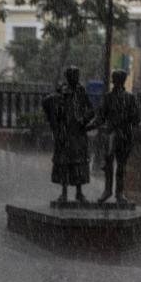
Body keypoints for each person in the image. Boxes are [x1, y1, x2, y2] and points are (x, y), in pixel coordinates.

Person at [42, 66, 95, 203]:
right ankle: (64, 193)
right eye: (72, 75)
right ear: (68, 76)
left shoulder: (81, 91)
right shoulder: (61, 92)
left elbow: (91, 110)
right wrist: (56, 123)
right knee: (64, 163)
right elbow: (47, 103)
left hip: (78, 132)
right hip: (65, 132)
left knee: (79, 162)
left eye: (77, 75)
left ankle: (79, 192)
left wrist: (83, 120)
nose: (75, 77)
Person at [90, 68, 141, 204]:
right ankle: (108, 191)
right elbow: (100, 116)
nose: (114, 81)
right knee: (108, 164)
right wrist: (91, 125)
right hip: (111, 135)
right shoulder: (108, 97)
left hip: (123, 135)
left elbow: (136, 119)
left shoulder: (129, 98)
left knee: (121, 165)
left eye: (116, 79)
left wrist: (125, 120)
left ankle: (119, 192)